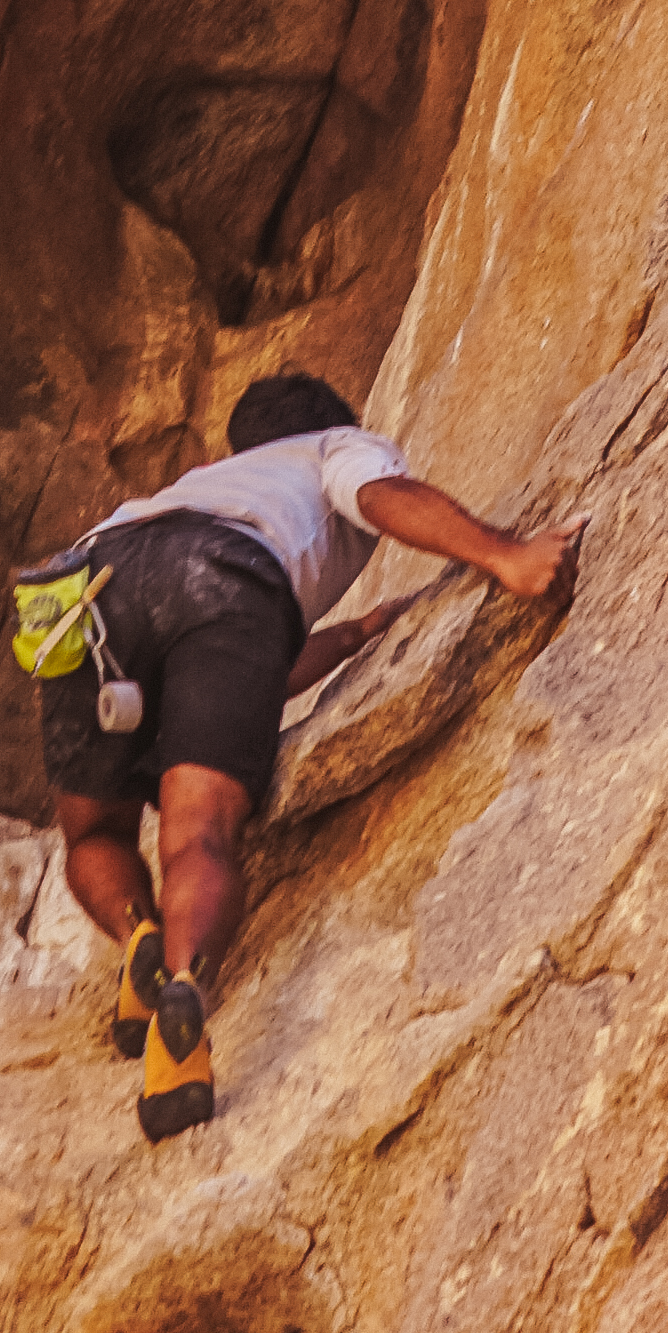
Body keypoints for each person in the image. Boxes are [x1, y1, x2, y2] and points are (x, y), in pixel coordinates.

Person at [39, 371, 571, 1142]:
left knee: (95, 833)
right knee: (199, 835)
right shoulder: (332, 446)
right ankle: (181, 995)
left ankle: (137, 942)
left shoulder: (194, 485)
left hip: (86, 591)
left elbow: (247, 677)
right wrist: (504, 555)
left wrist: (353, 636)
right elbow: (378, 499)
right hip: (225, 577)